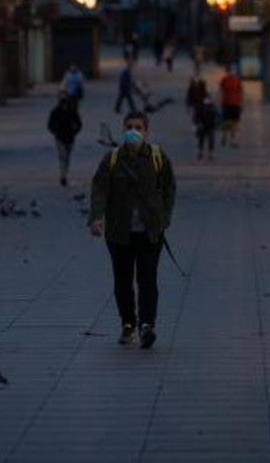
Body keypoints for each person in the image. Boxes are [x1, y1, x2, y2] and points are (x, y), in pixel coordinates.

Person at [89, 111, 176, 350]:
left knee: (147, 279)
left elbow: (169, 188)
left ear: (146, 131)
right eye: (129, 126)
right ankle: (128, 323)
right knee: (123, 280)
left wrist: (164, 218)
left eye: (138, 127)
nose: (133, 131)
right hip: (119, 233)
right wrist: (96, 218)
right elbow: (99, 189)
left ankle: (147, 325)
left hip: (150, 232)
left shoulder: (158, 157)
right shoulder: (112, 159)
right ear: (123, 129)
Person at [47, 89, 82, 186]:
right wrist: (55, 131)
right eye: (61, 96)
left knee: (67, 157)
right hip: (59, 137)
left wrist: (75, 131)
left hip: (70, 137)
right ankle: (63, 176)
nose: (63, 99)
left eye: (64, 96)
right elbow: (50, 124)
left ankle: (65, 173)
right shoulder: (55, 111)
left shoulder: (72, 110)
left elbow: (79, 123)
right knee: (62, 156)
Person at [218, 64, 243, 147]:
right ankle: (229, 138)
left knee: (231, 123)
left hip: (231, 104)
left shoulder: (226, 80)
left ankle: (229, 138)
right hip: (231, 104)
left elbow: (241, 92)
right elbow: (221, 92)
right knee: (232, 123)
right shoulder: (232, 80)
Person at [193, 94, 217, 161]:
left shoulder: (212, 107)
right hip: (202, 126)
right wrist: (197, 123)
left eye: (208, 99)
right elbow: (196, 116)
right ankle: (200, 152)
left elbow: (216, 116)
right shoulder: (200, 107)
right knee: (201, 140)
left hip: (210, 126)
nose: (207, 100)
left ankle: (210, 153)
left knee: (210, 140)